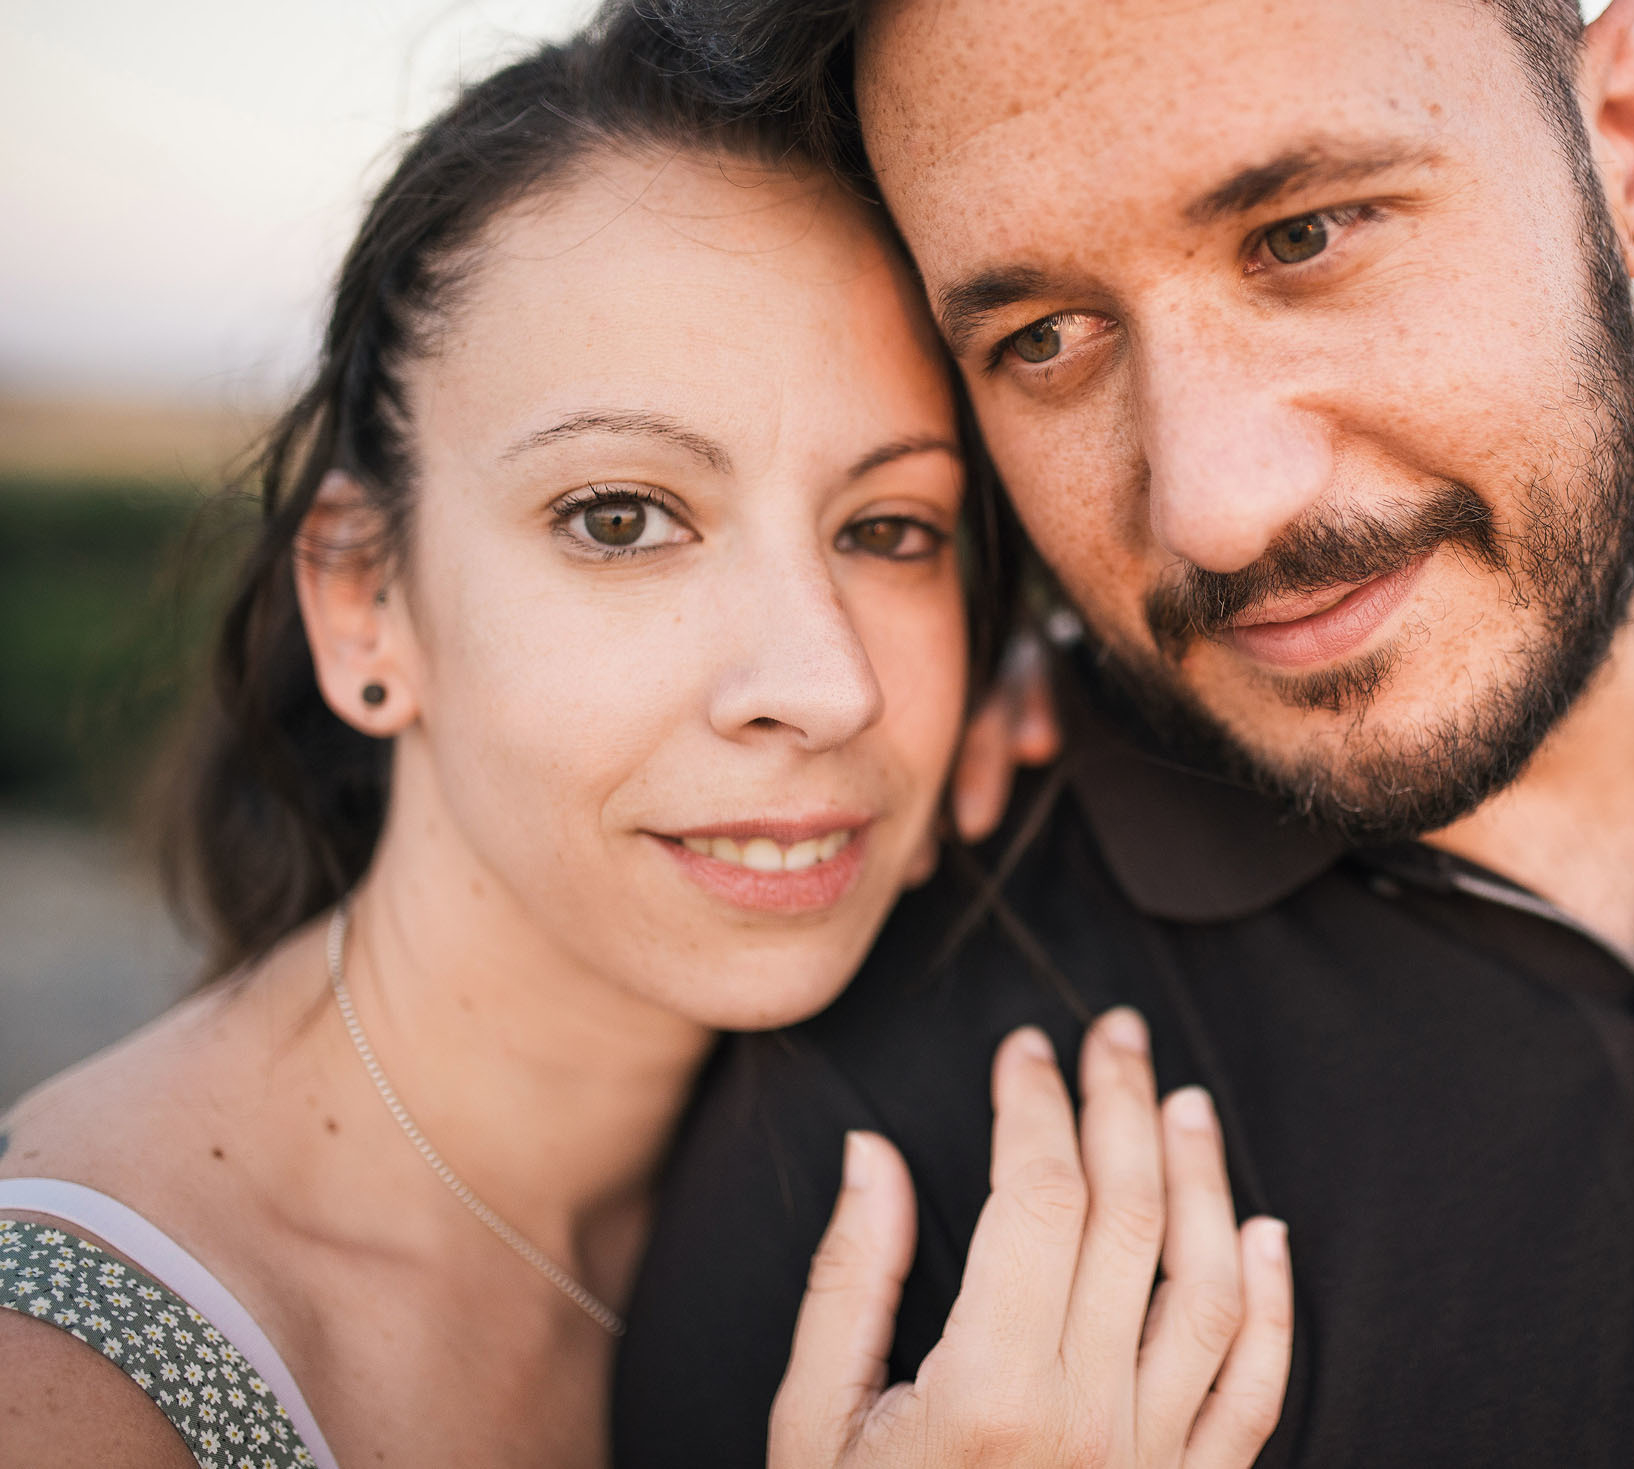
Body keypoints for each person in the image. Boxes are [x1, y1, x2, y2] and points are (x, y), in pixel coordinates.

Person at [612, 0, 1634, 1464]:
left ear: (1623, 132)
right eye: (1042, 337)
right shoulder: (859, 1154)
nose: (1217, 504)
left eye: (1303, 234)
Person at [0, 8, 1295, 1468]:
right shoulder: (74, 1382)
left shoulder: (874, 1139)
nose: (825, 685)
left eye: (890, 529)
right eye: (620, 518)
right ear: (364, 601)